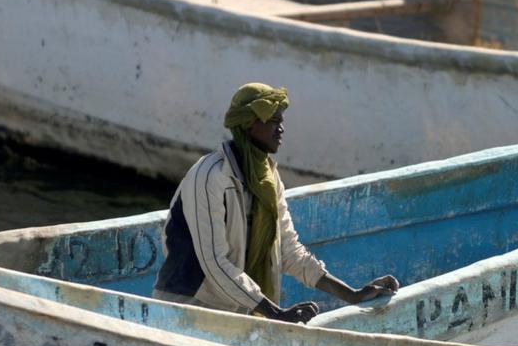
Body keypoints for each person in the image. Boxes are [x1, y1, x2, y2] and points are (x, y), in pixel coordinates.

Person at [152, 82, 399, 323]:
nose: (281, 129)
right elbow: (214, 262)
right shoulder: (210, 177)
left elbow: (290, 251)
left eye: (281, 122)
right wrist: (275, 313)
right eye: (273, 121)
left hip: (238, 313)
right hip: (185, 311)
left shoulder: (269, 178)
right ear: (249, 125)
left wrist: (353, 294)